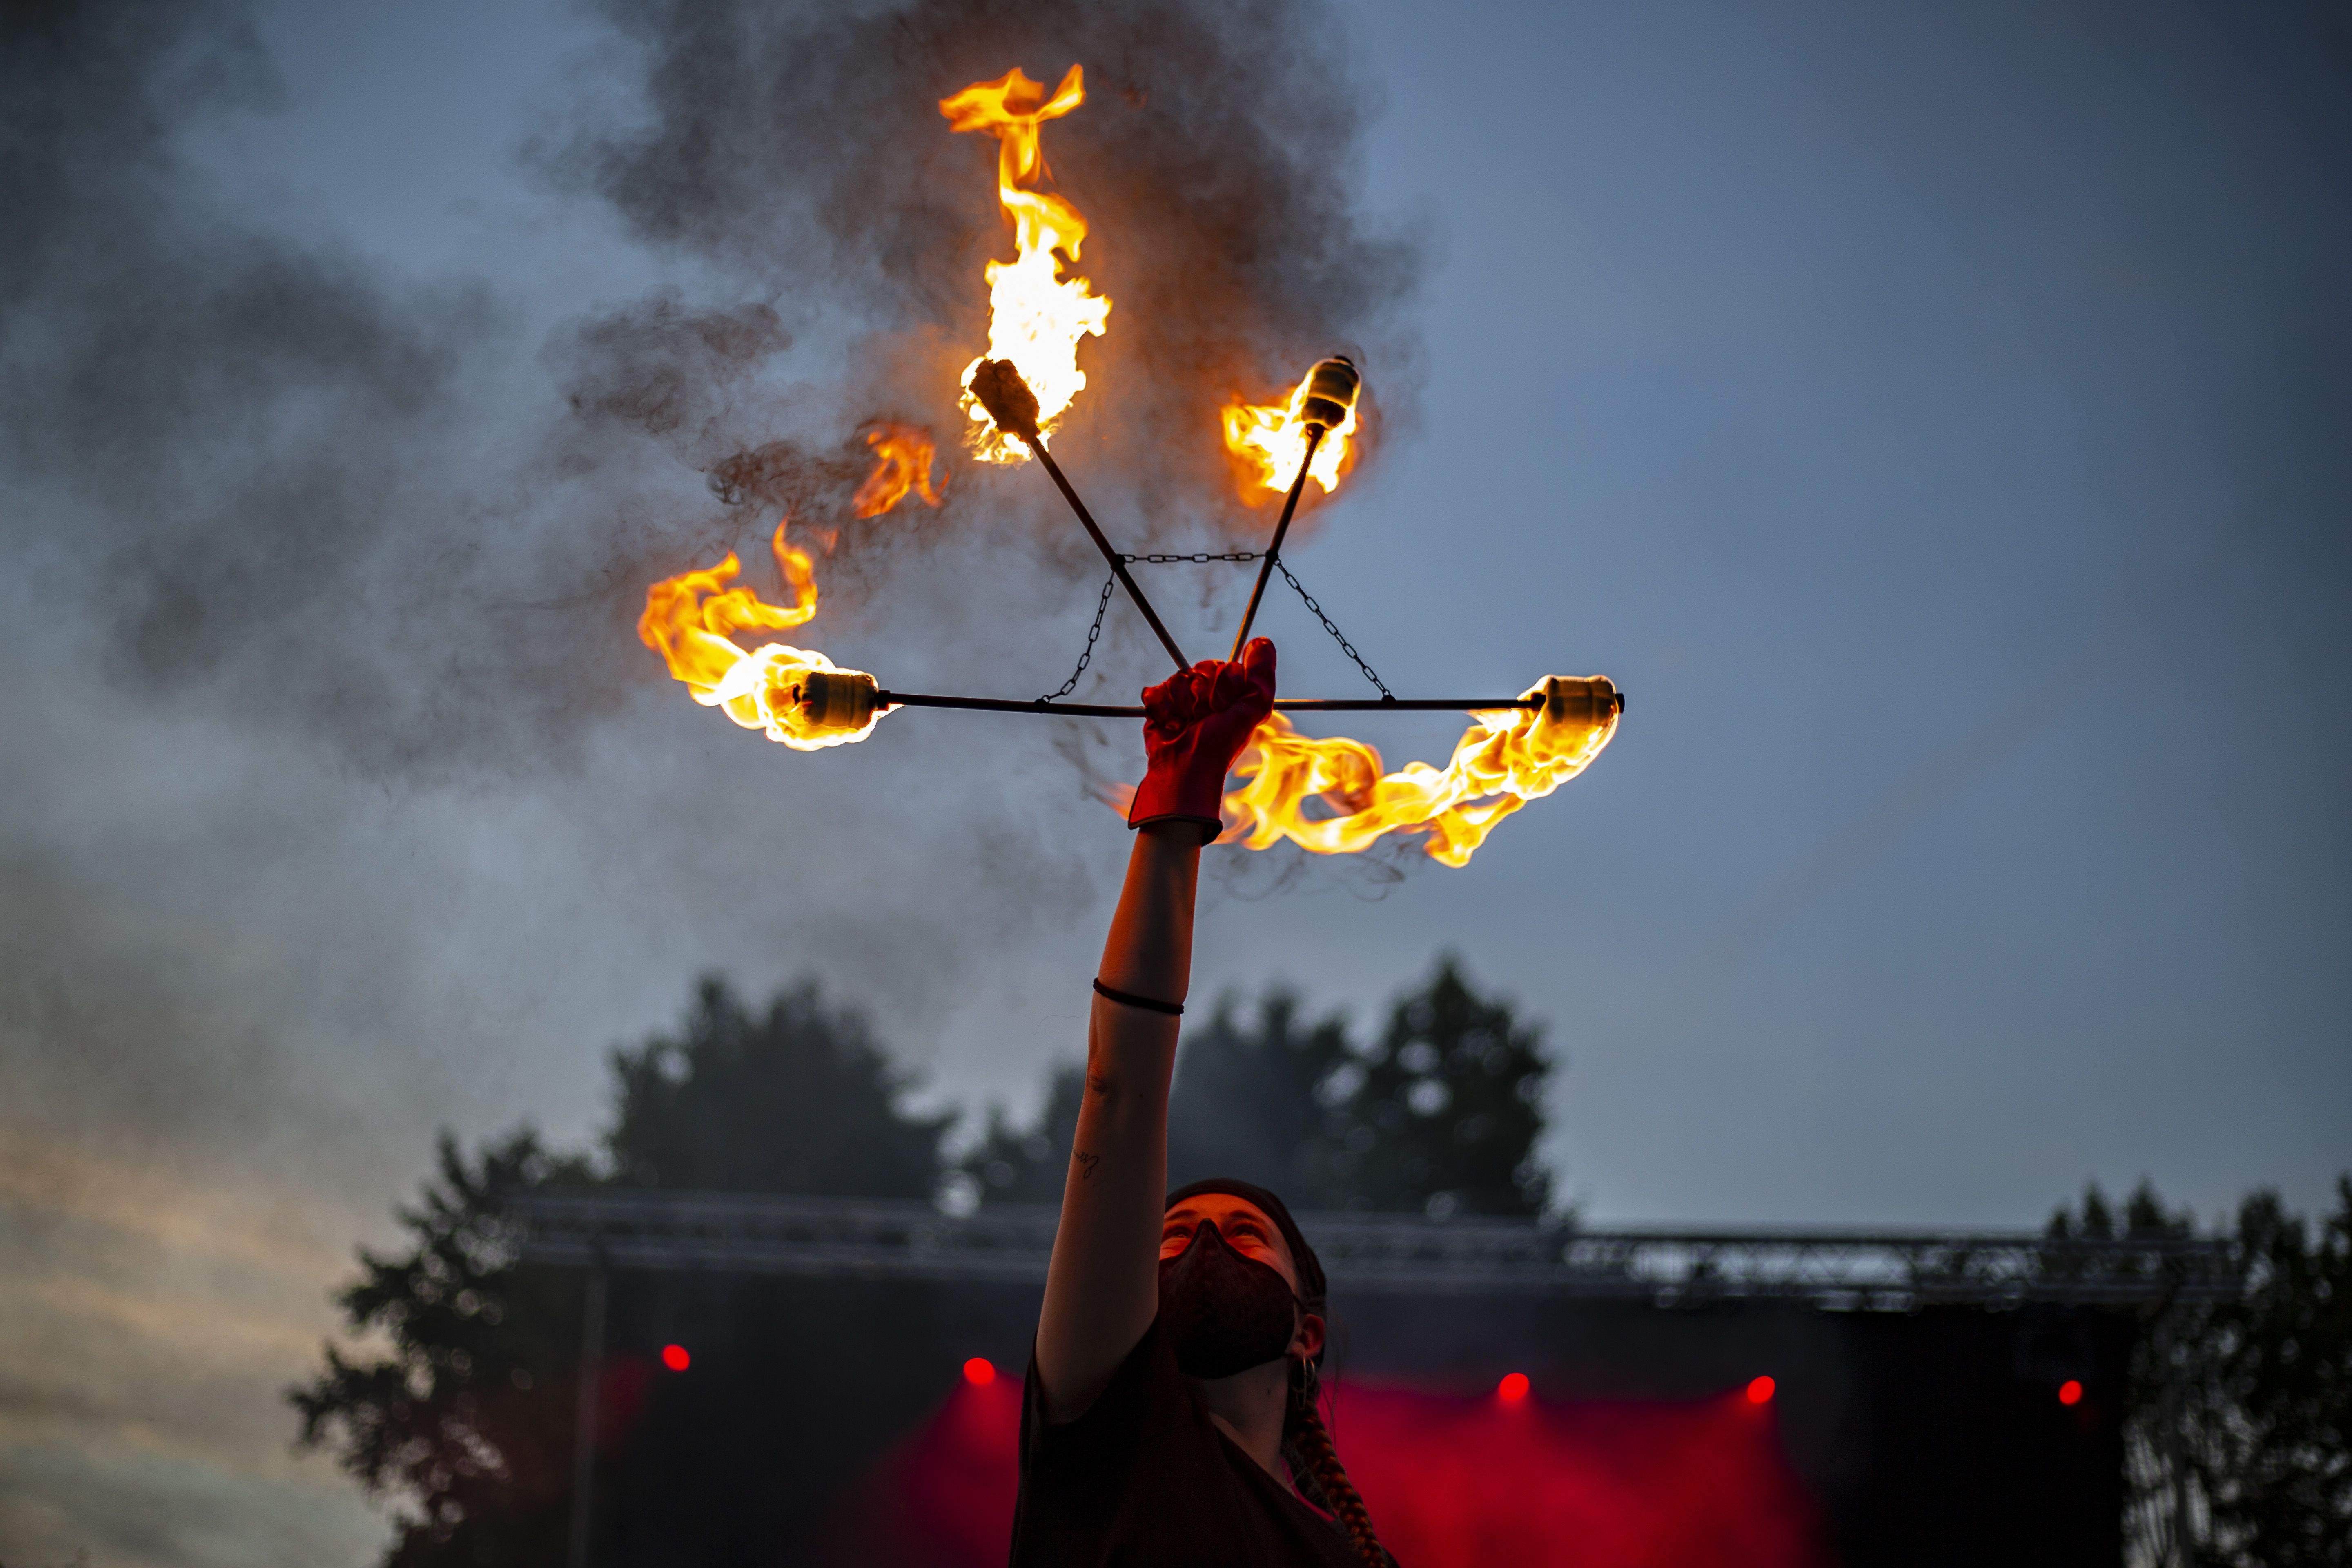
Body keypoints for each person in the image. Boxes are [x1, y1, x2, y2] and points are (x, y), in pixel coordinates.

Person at [1008, 639, 1395, 1568]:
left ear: (1309, 1332)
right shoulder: (1109, 1422)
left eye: (1242, 1232)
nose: (1208, 1238)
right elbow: (1121, 1095)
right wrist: (1176, 811)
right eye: (1173, 1233)